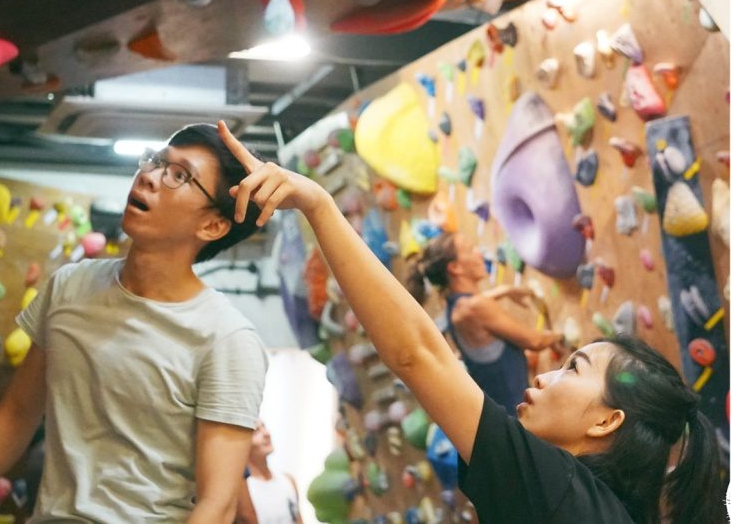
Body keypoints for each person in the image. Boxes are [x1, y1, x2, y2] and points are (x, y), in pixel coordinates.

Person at [217, 120, 724, 524]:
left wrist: (318, 204)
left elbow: (418, 353)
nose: (545, 375)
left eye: (573, 369)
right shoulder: (607, 509)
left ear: (607, 421)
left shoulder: (558, 489)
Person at [0, 124, 269, 523]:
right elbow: (17, 413)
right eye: (158, 162)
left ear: (212, 226)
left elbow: (218, 503)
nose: (149, 176)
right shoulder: (70, 286)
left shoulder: (227, 337)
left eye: (179, 176)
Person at [405, 233, 563, 415]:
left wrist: (505, 290)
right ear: (455, 267)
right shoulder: (474, 309)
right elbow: (535, 341)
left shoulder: (455, 308)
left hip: (506, 412)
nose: (479, 253)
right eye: (471, 250)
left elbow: (474, 305)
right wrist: (559, 336)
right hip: (519, 416)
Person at [244, 421, 302, 524]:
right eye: (256, 431)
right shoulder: (244, 489)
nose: (266, 434)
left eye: (264, 427)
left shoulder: (288, 480)